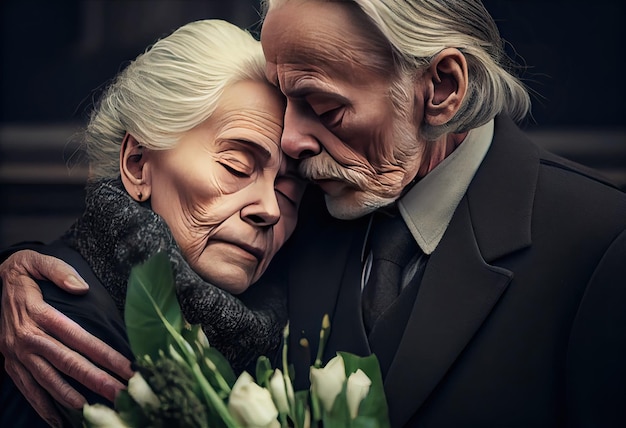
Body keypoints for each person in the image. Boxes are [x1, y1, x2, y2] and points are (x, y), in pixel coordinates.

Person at [2, 1, 626, 426]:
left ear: (440, 89)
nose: (294, 145)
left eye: (323, 107)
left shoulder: (600, 246)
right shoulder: (322, 195)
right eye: (243, 163)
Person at [0, 18, 305, 427]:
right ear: (138, 164)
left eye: (288, 190)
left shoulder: (296, 332)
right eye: (236, 166)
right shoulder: (56, 331)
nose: (268, 208)